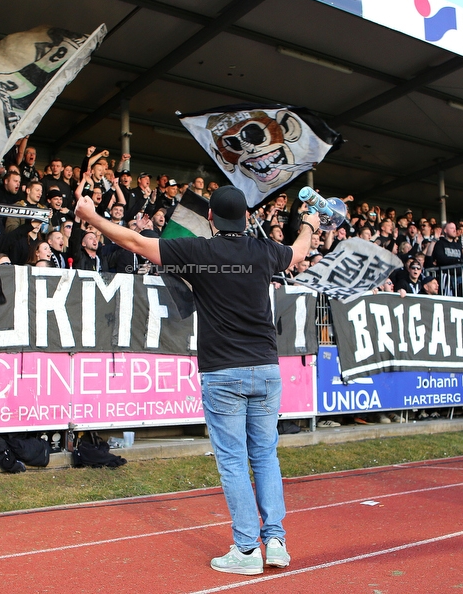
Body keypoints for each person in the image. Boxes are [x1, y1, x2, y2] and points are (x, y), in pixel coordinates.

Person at [74, 185, 319, 575]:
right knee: (265, 456)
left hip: (223, 372)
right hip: (266, 369)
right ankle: (275, 542)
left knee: (235, 462)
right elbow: (301, 251)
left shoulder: (200, 251)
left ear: (210, 220)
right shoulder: (263, 250)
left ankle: (245, 549)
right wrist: (308, 222)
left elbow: (135, 242)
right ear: (244, 219)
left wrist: (91, 218)